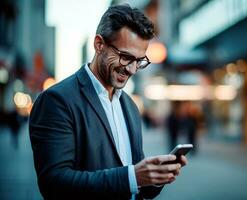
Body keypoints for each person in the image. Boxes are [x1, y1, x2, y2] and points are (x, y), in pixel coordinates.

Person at [29, 4, 187, 200]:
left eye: (139, 61)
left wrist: (155, 177)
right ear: (98, 44)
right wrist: (132, 176)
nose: (132, 69)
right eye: (125, 57)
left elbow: (137, 181)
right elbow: (54, 184)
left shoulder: (129, 105)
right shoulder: (56, 101)